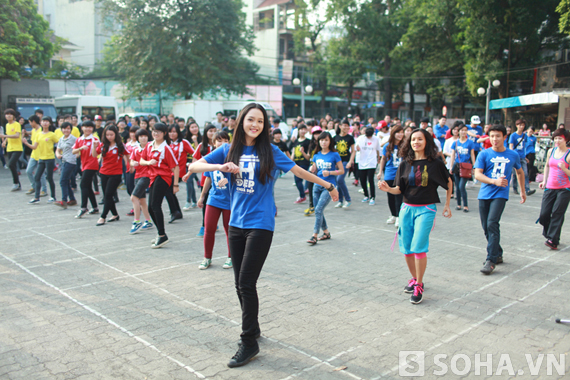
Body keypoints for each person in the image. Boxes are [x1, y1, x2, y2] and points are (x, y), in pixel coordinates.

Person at [188, 103, 339, 368]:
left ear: (264, 125)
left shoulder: (270, 150)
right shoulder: (228, 150)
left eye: (259, 121)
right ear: (241, 122)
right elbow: (194, 165)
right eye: (250, 120)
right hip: (235, 224)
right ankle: (253, 329)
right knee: (239, 283)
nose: (255, 125)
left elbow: (298, 171)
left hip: (261, 224)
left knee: (246, 282)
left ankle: (248, 342)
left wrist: (327, 184)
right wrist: (220, 166)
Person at [378, 128, 452, 304]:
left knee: (418, 246)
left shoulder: (435, 163)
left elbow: (448, 182)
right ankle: (414, 278)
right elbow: (399, 189)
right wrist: (388, 189)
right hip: (406, 209)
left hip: (426, 209)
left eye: (419, 139)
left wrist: (448, 205)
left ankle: (419, 284)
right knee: (406, 248)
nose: (416, 142)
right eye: (413, 140)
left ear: (426, 141)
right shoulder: (405, 163)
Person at [474, 125, 526, 274]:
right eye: (491, 136)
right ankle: (498, 253)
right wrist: (493, 181)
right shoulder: (484, 154)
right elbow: (477, 174)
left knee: (492, 223)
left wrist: (522, 191)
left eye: (497, 136)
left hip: (500, 195)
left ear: (504, 137)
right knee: (486, 227)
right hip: (484, 194)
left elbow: (520, 172)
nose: (494, 139)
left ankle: (490, 260)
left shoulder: (513, 155)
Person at [195, 131, 232, 270]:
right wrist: (202, 196)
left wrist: (227, 181)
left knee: (229, 230)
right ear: (213, 142)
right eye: (219, 140)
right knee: (208, 229)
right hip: (213, 199)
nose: (222, 143)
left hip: (229, 201)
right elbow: (208, 178)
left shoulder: (233, 157)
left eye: (225, 140)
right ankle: (207, 258)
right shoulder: (210, 158)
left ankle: (231, 257)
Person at [140, 122, 179, 248]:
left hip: (163, 177)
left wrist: (176, 184)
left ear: (164, 134)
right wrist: (148, 162)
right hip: (153, 177)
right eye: (154, 131)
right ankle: (160, 233)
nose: (156, 134)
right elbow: (141, 160)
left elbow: (175, 167)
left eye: (159, 132)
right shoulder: (150, 145)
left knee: (155, 205)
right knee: (151, 207)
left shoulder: (166, 148)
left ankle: (162, 235)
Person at [307, 131, 343, 245]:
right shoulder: (316, 155)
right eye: (322, 140)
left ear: (330, 141)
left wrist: (330, 172)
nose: (324, 142)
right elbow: (314, 169)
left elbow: (341, 170)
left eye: (326, 140)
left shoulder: (334, 154)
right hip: (317, 186)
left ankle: (314, 235)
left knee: (318, 210)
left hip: (329, 187)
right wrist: (311, 170)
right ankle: (326, 232)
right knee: (319, 210)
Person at [538, 128, 570, 250]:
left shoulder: (569, 154)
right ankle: (550, 233)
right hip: (550, 187)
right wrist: (544, 181)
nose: (557, 140)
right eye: (555, 138)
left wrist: (565, 169)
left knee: (557, 213)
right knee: (544, 215)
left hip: (564, 189)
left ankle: (553, 239)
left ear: (566, 139)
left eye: (560, 138)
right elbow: (547, 166)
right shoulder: (551, 151)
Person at [94, 125, 129, 226]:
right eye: (107, 135)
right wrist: (94, 146)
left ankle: (103, 216)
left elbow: (127, 154)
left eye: (111, 135)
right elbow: (93, 155)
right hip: (103, 173)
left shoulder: (120, 145)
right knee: (107, 195)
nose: (109, 137)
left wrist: (129, 166)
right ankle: (115, 214)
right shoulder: (103, 145)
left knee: (108, 195)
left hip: (116, 174)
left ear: (116, 134)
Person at [22, 116, 59, 204]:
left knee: (49, 178)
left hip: (50, 158)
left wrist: (59, 153)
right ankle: (36, 197)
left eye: (47, 121)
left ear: (50, 123)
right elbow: (34, 147)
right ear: (41, 123)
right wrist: (26, 143)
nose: (45, 123)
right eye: (43, 121)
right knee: (37, 177)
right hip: (41, 159)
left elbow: (59, 144)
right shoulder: (38, 134)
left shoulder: (52, 134)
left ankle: (53, 196)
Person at [73, 121, 101, 218]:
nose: (88, 129)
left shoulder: (95, 139)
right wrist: (80, 148)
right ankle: (95, 207)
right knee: (88, 186)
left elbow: (99, 151)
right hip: (84, 165)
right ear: (82, 128)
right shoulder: (79, 139)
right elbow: (74, 151)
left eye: (90, 127)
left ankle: (83, 207)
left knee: (83, 184)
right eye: (86, 127)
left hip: (92, 164)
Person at [129, 128, 154, 234]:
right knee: (142, 200)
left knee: (133, 197)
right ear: (137, 138)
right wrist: (133, 164)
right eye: (141, 136)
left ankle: (136, 221)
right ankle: (148, 220)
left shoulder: (151, 148)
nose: (143, 138)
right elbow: (131, 160)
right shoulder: (135, 149)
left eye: (145, 136)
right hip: (137, 176)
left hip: (146, 176)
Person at [378, 125, 404, 227]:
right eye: (398, 132)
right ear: (393, 133)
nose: (400, 134)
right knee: (390, 196)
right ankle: (393, 215)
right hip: (389, 173)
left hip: (401, 175)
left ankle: (398, 217)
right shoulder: (387, 146)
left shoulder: (405, 145)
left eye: (402, 132)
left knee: (399, 196)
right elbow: (383, 159)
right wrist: (380, 172)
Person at [193, 124, 216, 236]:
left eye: (214, 131)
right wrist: (188, 173)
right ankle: (204, 225)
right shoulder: (202, 146)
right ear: (206, 133)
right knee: (205, 202)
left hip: (219, 180)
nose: (212, 133)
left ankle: (213, 222)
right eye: (210, 131)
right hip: (205, 179)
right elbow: (194, 162)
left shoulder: (221, 146)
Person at [448, 123, 476, 212]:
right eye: (462, 130)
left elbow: (472, 155)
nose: (463, 132)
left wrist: (474, 167)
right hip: (457, 167)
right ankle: (459, 204)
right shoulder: (455, 143)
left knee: (461, 186)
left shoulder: (470, 143)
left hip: (466, 167)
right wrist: (451, 167)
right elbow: (453, 155)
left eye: (465, 130)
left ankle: (466, 205)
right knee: (457, 186)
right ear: (458, 132)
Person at [54, 122, 78, 208]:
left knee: (62, 181)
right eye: (64, 128)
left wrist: (77, 155)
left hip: (70, 161)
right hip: (64, 160)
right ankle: (72, 199)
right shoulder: (61, 139)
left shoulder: (74, 139)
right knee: (66, 181)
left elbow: (78, 149)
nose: (66, 130)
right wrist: (57, 155)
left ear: (71, 130)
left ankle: (64, 200)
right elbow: (58, 149)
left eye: (68, 128)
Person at [509, 119, 535, 196]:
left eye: (523, 125)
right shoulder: (513, 135)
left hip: (522, 157)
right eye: (520, 125)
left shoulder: (524, 135)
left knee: (525, 173)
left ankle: (527, 189)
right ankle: (515, 188)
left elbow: (524, 146)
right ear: (517, 125)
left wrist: (525, 156)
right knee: (515, 174)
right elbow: (511, 146)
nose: (521, 127)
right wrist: (512, 156)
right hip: (515, 157)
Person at [333, 119, 355, 208]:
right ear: (340, 126)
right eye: (344, 125)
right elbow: (332, 151)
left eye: (347, 125)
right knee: (338, 181)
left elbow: (353, 151)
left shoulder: (350, 138)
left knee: (339, 180)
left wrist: (350, 161)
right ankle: (340, 201)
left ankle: (348, 199)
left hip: (345, 162)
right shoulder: (335, 137)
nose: (346, 127)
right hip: (337, 163)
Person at [356, 127, 381, 205]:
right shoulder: (360, 138)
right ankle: (366, 195)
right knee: (362, 180)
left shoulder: (376, 139)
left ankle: (372, 197)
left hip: (371, 162)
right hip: (362, 161)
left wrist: (379, 158)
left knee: (370, 180)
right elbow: (356, 148)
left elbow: (378, 149)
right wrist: (357, 148)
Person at [24, 115, 47, 197]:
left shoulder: (42, 130)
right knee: (28, 171)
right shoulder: (33, 130)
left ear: (33, 121)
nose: (29, 124)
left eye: (30, 122)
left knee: (41, 174)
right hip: (33, 155)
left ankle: (44, 190)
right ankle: (34, 187)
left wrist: (26, 143)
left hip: (41, 155)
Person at [1, 108, 23, 191]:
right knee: (12, 166)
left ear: (13, 116)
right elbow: (8, 134)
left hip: (17, 148)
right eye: (7, 114)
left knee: (11, 164)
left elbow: (17, 135)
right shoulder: (7, 125)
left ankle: (16, 183)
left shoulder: (16, 124)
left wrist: (4, 137)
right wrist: (5, 141)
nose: (8, 115)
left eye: (10, 114)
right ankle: (17, 184)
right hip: (9, 148)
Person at [183, 121, 201, 210]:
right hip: (188, 163)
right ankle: (194, 201)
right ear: (189, 129)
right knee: (190, 181)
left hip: (197, 163)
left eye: (195, 126)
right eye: (192, 127)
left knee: (189, 180)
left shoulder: (201, 138)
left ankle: (188, 201)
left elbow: (199, 152)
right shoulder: (186, 140)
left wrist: (196, 141)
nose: (194, 129)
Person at [290, 124, 311, 204]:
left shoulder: (308, 141)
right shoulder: (296, 141)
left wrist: (303, 152)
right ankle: (303, 195)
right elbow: (293, 153)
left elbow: (308, 157)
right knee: (297, 180)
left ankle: (303, 196)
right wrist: (290, 161)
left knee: (298, 179)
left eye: (304, 129)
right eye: (301, 129)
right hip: (296, 164)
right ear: (298, 131)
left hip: (304, 163)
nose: (303, 131)